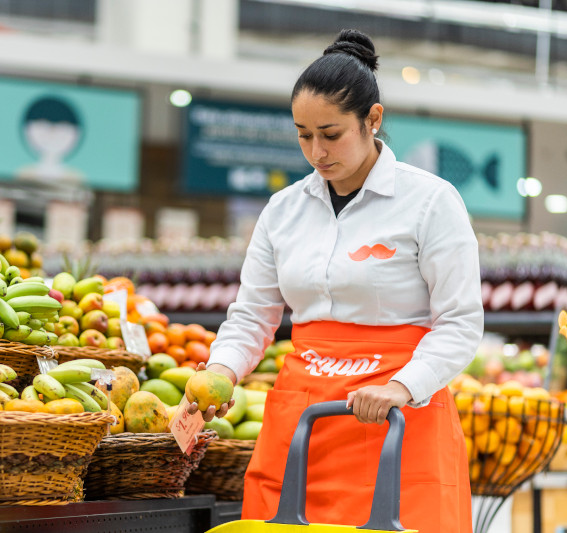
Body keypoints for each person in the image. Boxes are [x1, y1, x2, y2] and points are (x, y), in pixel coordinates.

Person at [199, 29, 483, 532]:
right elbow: (253, 315)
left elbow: (460, 321)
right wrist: (221, 371)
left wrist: (402, 385)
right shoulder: (283, 211)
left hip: (399, 421)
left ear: (373, 119)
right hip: (302, 424)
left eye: (330, 134)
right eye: (303, 134)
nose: (315, 151)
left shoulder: (431, 202)